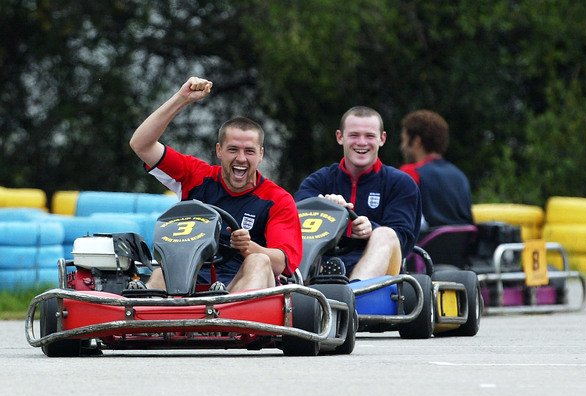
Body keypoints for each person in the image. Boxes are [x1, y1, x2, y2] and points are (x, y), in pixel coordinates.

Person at [129, 76, 302, 292]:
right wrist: (181, 99)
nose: (241, 159)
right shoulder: (196, 176)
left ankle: (226, 322)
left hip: (238, 289)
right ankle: (151, 322)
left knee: (259, 261)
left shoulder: (278, 199)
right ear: (219, 151)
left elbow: (281, 263)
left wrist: (249, 247)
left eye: (249, 151)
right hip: (189, 286)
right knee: (160, 271)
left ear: (261, 155)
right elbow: (141, 145)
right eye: (233, 150)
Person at [295, 106, 421, 281]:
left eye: (369, 136)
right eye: (354, 135)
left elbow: (403, 239)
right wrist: (322, 206)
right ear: (340, 137)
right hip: (323, 263)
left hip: (378, 269)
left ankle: (352, 296)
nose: (361, 142)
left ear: (382, 139)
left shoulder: (400, 183)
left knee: (385, 234)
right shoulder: (319, 180)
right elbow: (293, 218)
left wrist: (371, 229)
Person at [399, 109, 473, 230]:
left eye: (404, 140)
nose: (402, 147)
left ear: (417, 141)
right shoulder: (460, 175)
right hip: (462, 247)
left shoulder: (410, 173)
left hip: (426, 246)